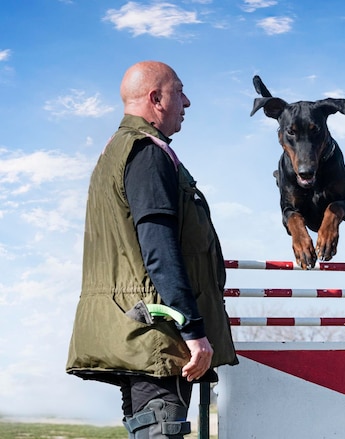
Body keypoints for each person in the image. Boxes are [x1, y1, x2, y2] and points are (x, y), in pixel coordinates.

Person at [66, 61, 238, 438]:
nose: (187, 102)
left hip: (137, 330)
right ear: (155, 98)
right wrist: (194, 332)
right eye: (179, 91)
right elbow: (159, 250)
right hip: (159, 337)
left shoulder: (117, 151)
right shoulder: (146, 153)